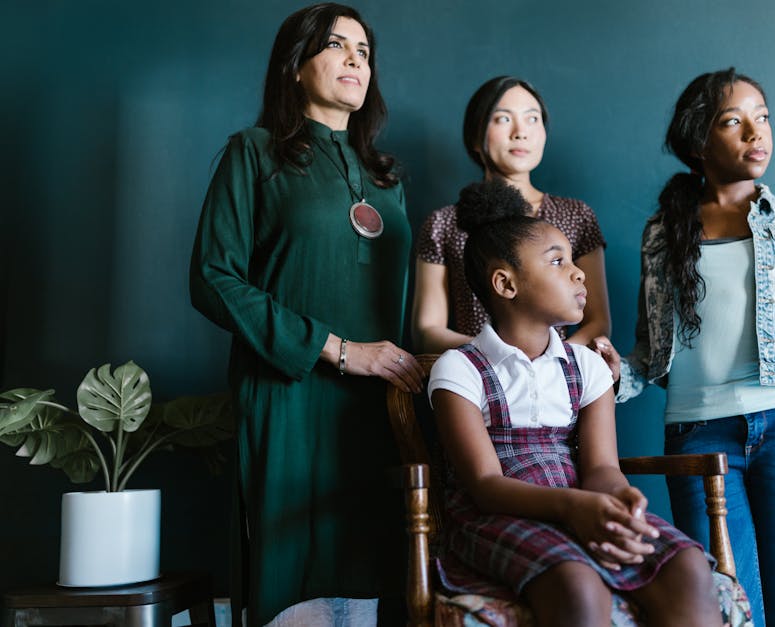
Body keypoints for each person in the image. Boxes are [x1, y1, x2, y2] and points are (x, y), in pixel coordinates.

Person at [593, 68, 775, 627]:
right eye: (734, 121)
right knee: (724, 612)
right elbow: (653, 357)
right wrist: (613, 370)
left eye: (763, 118)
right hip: (698, 440)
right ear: (699, 142)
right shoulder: (662, 233)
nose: (756, 132)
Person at [189, 4, 422, 625]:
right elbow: (213, 278)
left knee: (377, 568)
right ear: (296, 66)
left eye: (364, 50)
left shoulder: (387, 178)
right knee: (295, 568)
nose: (354, 60)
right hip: (288, 391)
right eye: (336, 45)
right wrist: (340, 350)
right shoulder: (255, 152)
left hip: (380, 402)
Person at [427, 179, 722, 627]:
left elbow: (602, 469)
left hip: (583, 502)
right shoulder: (459, 369)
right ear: (505, 283)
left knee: (687, 567)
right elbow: (484, 484)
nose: (579, 272)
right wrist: (574, 507)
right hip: (496, 515)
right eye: (557, 261)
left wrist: (621, 499)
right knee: (576, 581)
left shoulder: (587, 366)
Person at [413, 76, 611, 353]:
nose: (520, 132)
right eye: (503, 119)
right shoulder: (444, 223)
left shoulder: (577, 215)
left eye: (532, 119)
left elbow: (598, 322)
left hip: (559, 383)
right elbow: (427, 331)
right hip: (475, 378)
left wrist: (549, 364)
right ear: (475, 137)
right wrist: (499, 357)